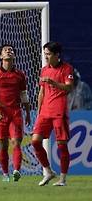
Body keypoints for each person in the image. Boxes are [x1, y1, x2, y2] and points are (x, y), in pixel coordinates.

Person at [0, 44, 31, 182]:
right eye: (6, 50)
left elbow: (24, 95)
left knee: (16, 142)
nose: (9, 52)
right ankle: (5, 174)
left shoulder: (20, 75)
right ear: (1, 56)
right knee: (3, 144)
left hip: (16, 112)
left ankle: (17, 170)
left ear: (14, 56)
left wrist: (28, 113)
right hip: (1, 113)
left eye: (11, 50)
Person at [32, 42, 74, 186]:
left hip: (59, 112)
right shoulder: (44, 70)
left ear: (57, 55)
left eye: (48, 54)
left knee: (62, 145)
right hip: (45, 112)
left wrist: (53, 82)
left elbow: (69, 88)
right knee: (35, 141)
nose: (46, 57)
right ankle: (49, 172)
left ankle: (62, 179)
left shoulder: (67, 68)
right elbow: (42, 92)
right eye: (45, 54)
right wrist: (38, 112)